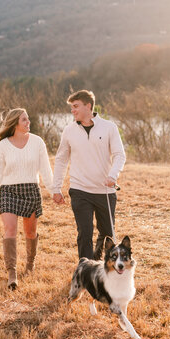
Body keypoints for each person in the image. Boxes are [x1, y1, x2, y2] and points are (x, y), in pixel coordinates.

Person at [0, 108, 63, 289]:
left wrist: (54, 192)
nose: (29, 123)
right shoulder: (3, 145)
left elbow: (45, 171)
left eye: (28, 119)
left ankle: (30, 264)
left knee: (30, 233)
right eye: (25, 120)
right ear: (15, 123)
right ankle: (12, 273)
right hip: (8, 191)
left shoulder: (37, 142)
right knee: (10, 229)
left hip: (30, 190)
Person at [53, 90, 126, 260]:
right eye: (72, 107)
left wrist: (113, 175)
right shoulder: (69, 131)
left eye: (76, 106)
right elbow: (61, 159)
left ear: (88, 106)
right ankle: (85, 271)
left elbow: (119, 155)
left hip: (105, 191)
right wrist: (56, 187)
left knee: (107, 234)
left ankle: (97, 264)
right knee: (84, 233)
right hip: (80, 190)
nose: (73, 110)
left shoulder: (109, 127)